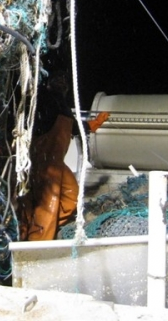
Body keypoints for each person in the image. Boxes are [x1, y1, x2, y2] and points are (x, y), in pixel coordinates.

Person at [16, 73, 109, 241]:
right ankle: (37, 242)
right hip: (44, 163)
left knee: (70, 196)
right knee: (47, 204)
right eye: (57, 82)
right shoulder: (44, 103)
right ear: (48, 85)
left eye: (63, 83)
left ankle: (34, 228)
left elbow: (74, 127)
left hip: (56, 164)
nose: (62, 85)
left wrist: (94, 123)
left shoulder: (61, 105)